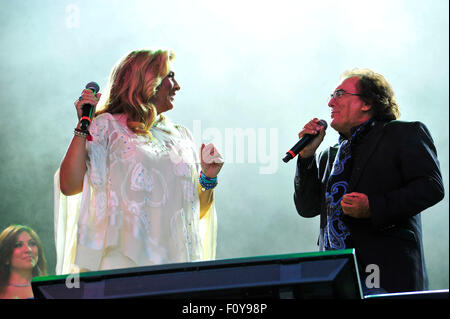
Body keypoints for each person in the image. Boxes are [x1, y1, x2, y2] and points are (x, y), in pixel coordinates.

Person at [55, 48, 223, 274]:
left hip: (173, 264)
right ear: (147, 79)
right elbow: (69, 185)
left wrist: (208, 177)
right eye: (170, 76)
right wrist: (83, 125)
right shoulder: (107, 125)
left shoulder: (181, 136)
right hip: (122, 263)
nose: (177, 85)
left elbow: (194, 211)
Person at [293, 68, 444, 294]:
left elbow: (431, 187)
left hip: (385, 273)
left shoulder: (402, 134)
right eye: (331, 96)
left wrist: (373, 206)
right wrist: (306, 158)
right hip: (335, 275)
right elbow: (307, 208)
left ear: (367, 103)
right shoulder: (329, 155)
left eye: (340, 94)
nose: (330, 103)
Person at [0, 225, 48, 299]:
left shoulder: (50, 288)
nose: (28, 249)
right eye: (18, 245)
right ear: (6, 256)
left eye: (32, 243)